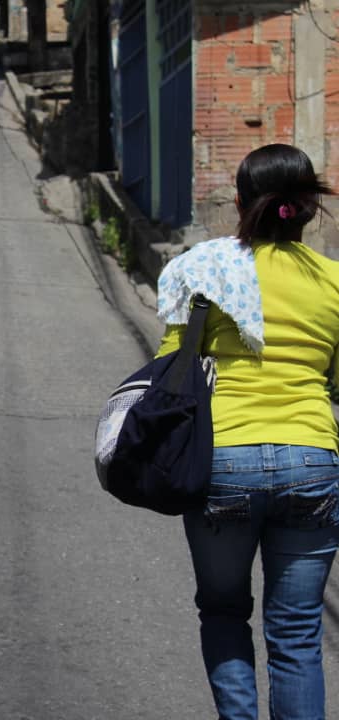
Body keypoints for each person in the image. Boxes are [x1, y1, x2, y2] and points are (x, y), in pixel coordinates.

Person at [154, 143, 339, 719]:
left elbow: (170, 369)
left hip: (222, 462)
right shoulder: (334, 281)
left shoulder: (206, 268)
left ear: (239, 201)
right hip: (313, 459)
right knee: (297, 634)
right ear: (308, 208)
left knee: (225, 610)